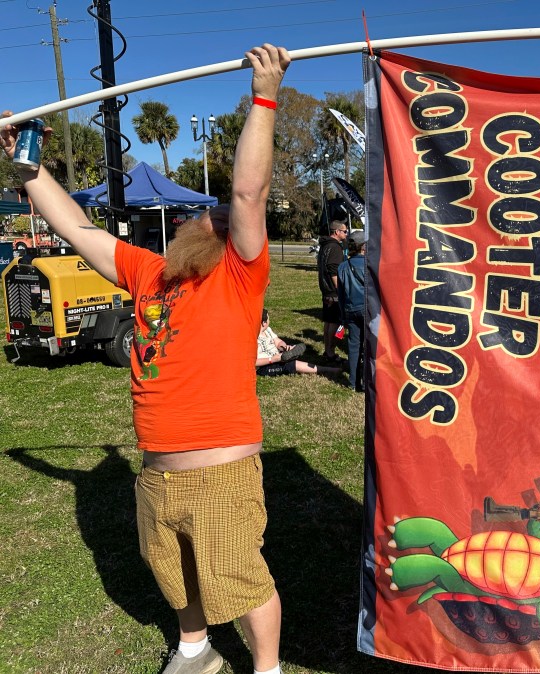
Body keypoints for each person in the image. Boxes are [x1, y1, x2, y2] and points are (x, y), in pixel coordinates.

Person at [2, 44, 291, 674]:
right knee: (175, 572)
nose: (204, 215)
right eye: (201, 212)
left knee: (238, 576)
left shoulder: (239, 276)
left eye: (215, 215)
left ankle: (266, 668)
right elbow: (78, 230)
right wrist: (25, 164)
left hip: (221, 472)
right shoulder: (150, 272)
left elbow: (246, 193)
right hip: (157, 470)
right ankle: (196, 650)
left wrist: (264, 92)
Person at [256, 308, 339, 377]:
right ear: (264, 323)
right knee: (291, 364)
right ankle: (325, 370)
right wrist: (273, 359)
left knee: (291, 351)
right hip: (265, 366)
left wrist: (285, 347)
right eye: (268, 318)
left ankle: (289, 354)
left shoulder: (267, 330)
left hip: (277, 355)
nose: (269, 320)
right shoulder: (252, 338)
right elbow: (253, 362)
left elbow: (277, 342)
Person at [317, 209, 348, 363]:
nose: (346, 234)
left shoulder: (324, 245)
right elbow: (333, 270)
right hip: (333, 291)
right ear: (336, 232)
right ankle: (330, 352)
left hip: (325, 289)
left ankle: (327, 350)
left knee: (329, 321)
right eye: (344, 231)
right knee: (336, 323)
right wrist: (340, 290)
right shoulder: (335, 247)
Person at [337, 230, 366, 392]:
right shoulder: (370, 265)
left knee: (354, 346)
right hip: (368, 310)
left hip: (349, 310)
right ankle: (367, 381)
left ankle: (353, 382)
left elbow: (340, 294)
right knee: (369, 346)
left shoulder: (342, 266)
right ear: (364, 247)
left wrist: (343, 316)